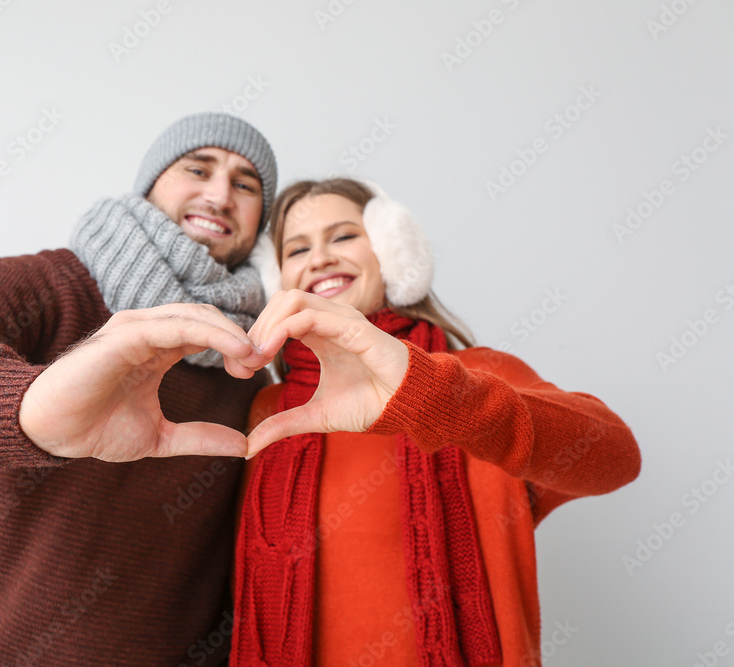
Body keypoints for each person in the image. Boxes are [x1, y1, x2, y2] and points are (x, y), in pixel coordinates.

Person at [0, 112, 278, 667]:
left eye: (245, 184)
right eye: (198, 168)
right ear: (150, 184)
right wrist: (26, 409)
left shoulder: (255, 360)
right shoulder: (50, 287)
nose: (219, 195)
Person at [230, 178, 642, 666]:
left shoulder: (476, 378)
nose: (319, 258)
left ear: (393, 253)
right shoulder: (266, 410)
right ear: (277, 280)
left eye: (343, 236)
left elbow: (616, 456)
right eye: (297, 249)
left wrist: (433, 397)